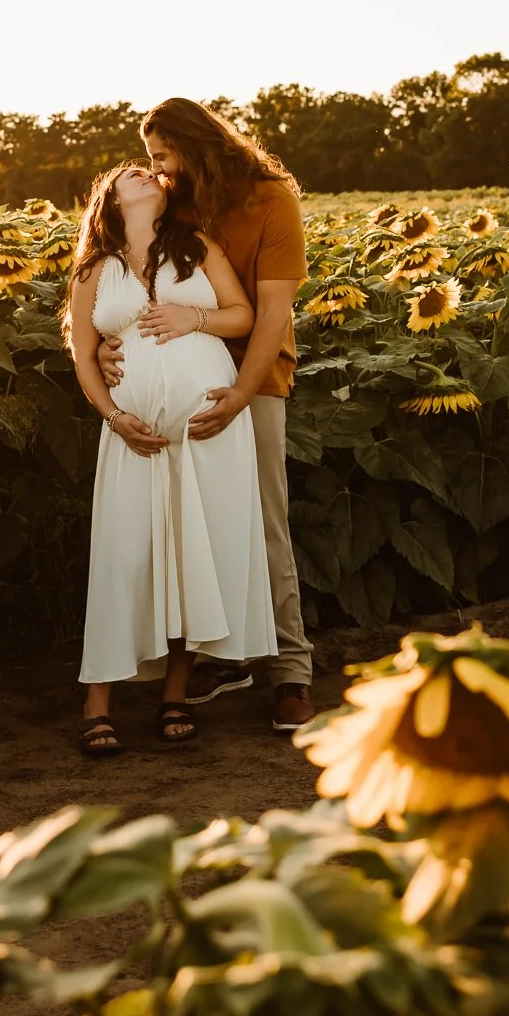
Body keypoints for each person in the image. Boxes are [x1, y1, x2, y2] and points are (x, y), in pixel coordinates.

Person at [97, 98, 314, 734]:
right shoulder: (179, 203)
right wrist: (111, 344)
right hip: (176, 384)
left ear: (193, 143)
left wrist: (242, 396)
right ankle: (220, 657)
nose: (155, 167)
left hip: (255, 377)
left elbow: (270, 314)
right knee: (191, 525)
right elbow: (133, 278)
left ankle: (291, 672)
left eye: (162, 153)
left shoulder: (271, 198)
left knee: (263, 517)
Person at [65, 162, 279, 757]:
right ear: (108, 198)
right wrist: (113, 414)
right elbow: (84, 355)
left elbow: (242, 314)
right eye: (130, 171)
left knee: (191, 555)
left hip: (207, 430)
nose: (145, 173)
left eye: (150, 169)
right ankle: (97, 702)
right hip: (134, 434)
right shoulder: (93, 271)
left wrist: (195, 318)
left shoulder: (196, 248)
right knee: (124, 555)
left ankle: (175, 695)